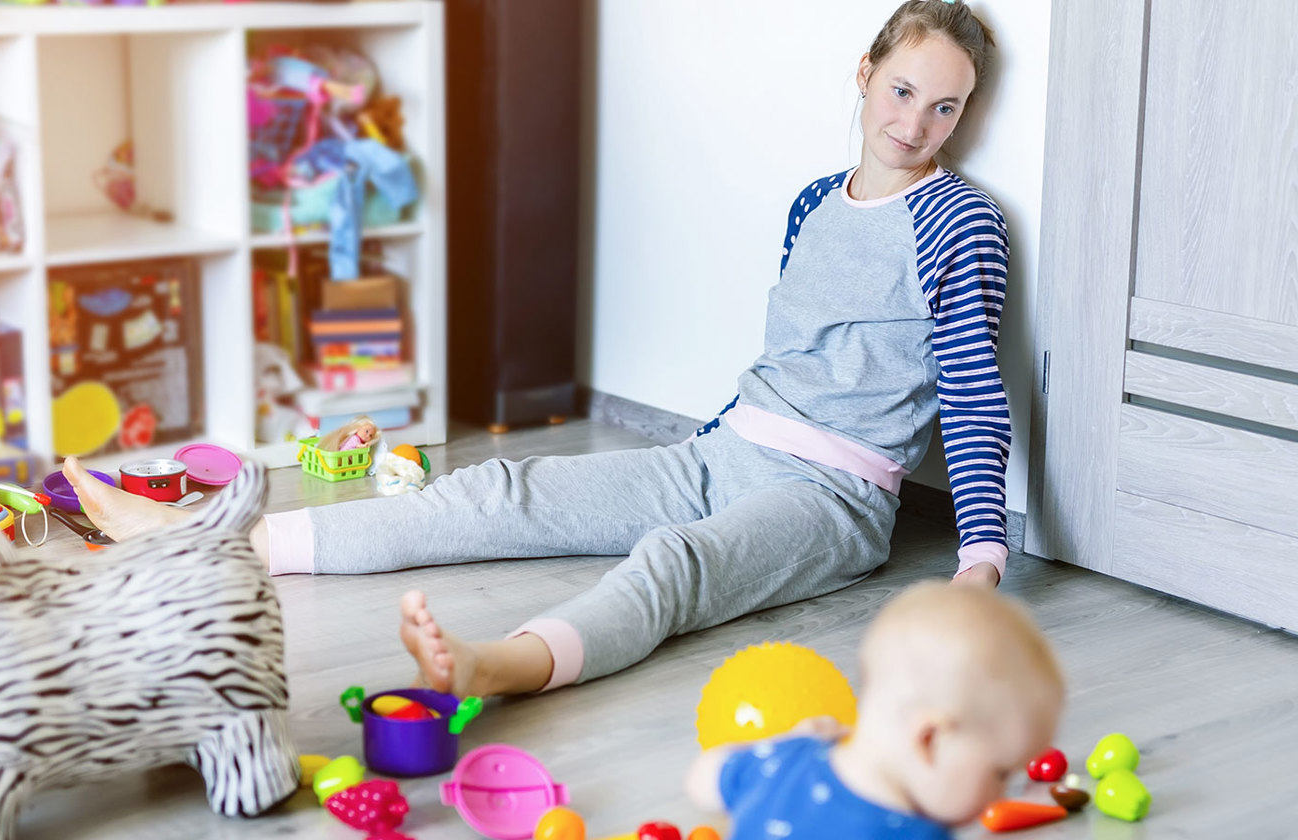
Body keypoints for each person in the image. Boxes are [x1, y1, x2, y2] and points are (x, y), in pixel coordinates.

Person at [63, 0, 1009, 700]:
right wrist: (708, 448)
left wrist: (980, 559)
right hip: (726, 454)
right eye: (903, 89)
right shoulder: (813, 202)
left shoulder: (958, 218)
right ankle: (206, 538)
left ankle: (500, 665)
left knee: (674, 565)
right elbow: (788, 362)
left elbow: (973, 392)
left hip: (830, 498)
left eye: (945, 108)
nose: (915, 122)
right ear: (865, 73)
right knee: (500, 490)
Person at [685, 582, 1064, 839]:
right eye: (1000, 773)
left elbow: (702, 779)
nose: (1000, 798)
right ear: (929, 739)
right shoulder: (915, 834)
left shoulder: (780, 761)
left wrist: (787, 741)